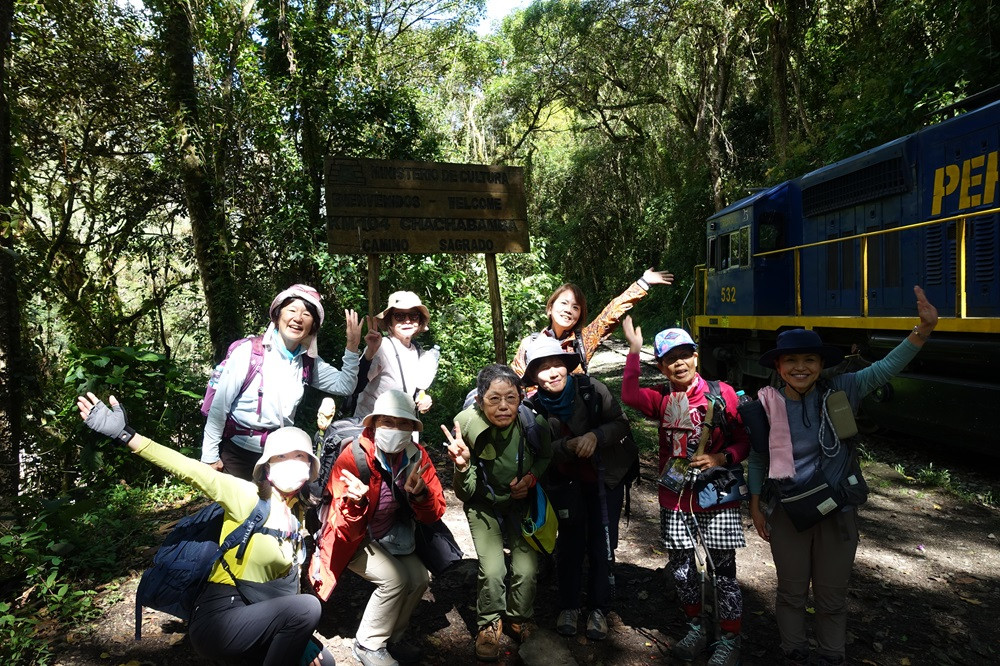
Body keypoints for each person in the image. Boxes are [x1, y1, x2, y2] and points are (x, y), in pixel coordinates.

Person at [748, 286, 938, 666]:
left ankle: (831, 655)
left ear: (821, 364)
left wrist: (923, 330)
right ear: (778, 366)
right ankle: (793, 650)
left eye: (809, 360)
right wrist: (755, 505)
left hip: (837, 510)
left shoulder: (844, 389)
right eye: (791, 361)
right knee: (791, 591)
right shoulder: (764, 406)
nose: (800, 368)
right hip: (787, 511)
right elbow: (757, 457)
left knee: (832, 594)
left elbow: (886, 368)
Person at [76, 393, 333, 666]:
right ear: (268, 467)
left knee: (323, 661)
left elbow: (285, 589)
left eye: (299, 456)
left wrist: (299, 636)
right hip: (221, 618)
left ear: (309, 466)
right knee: (307, 608)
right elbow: (193, 471)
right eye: (282, 456)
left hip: (259, 615)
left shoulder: (295, 512)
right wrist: (127, 435)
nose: (292, 462)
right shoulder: (247, 496)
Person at [620, 317, 750, 666]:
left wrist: (721, 457)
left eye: (684, 355)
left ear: (696, 356)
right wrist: (634, 350)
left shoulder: (721, 394)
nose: (678, 363)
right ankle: (696, 628)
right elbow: (629, 394)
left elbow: (743, 441)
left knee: (723, 572)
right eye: (669, 359)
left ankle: (729, 639)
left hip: (717, 497)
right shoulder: (662, 399)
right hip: (675, 498)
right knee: (681, 569)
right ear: (661, 366)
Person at [310, 390, 446, 666]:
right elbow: (342, 526)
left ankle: (393, 637)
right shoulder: (354, 456)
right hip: (354, 538)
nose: (395, 429)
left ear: (413, 427)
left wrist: (421, 495)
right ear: (374, 424)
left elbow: (435, 512)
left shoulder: (417, 456)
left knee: (419, 579)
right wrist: (356, 502)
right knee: (395, 580)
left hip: (390, 534)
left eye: (403, 423)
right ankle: (369, 644)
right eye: (387, 422)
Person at [520, 336, 636, 641]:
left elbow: (621, 424)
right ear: (533, 376)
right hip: (564, 484)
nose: (552, 373)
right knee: (569, 544)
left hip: (605, 480)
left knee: (602, 544)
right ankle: (569, 606)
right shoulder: (531, 409)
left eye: (557, 364)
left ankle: (599, 608)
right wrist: (565, 447)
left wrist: (596, 436)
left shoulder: (592, 389)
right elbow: (536, 452)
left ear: (567, 366)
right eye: (542, 368)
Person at [201, 283, 381, 480]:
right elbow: (220, 407)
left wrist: (352, 346)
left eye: (306, 314)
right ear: (278, 315)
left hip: (279, 453)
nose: (298, 318)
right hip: (238, 454)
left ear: (313, 326)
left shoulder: (307, 361)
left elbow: (345, 386)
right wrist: (209, 456)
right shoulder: (249, 352)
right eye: (292, 310)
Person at [443, 364, 552, 661]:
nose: (503, 406)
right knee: (492, 570)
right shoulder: (465, 428)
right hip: (483, 505)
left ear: (520, 398)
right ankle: (489, 622)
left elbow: (546, 456)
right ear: (480, 401)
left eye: (511, 398)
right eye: (494, 399)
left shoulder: (534, 424)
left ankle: (519, 618)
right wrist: (463, 466)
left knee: (527, 569)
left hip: (520, 503)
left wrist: (530, 479)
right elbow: (465, 493)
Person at [510, 267, 673, 379]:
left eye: (575, 307)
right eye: (564, 303)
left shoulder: (583, 340)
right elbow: (517, 381)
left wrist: (643, 283)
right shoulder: (530, 344)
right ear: (550, 308)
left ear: (579, 315)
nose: (568, 310)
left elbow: (610, 313)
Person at [351, 291, 437, 419]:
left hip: (402, 425)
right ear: (389, 321)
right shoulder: (381, 347)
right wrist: (369, 353)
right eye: (399, 316)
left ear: (419, 321)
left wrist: (422, 397)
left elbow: (411, 387)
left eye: (413, 316)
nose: (407, 321)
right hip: (373, 425)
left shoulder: (417, 351)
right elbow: (355, 385)